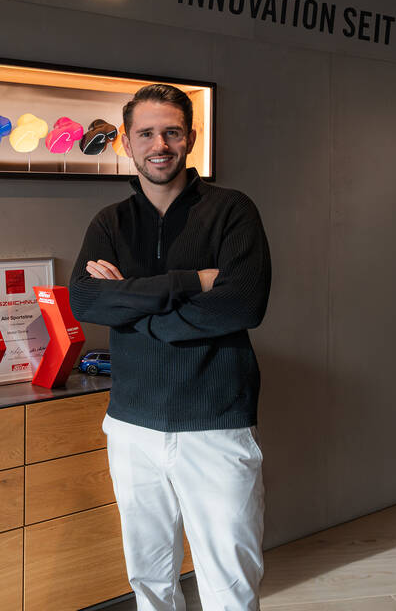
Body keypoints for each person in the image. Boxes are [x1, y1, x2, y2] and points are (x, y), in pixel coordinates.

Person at [69, 83, 271, 611]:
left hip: (215, 425)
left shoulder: (233, 211)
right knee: (149, 578)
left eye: (171, 132)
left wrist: (138, 312)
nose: (159, 145)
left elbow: (242, 305)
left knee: (229, 582)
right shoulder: (110, 222)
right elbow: (86, 300)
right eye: (146, 134)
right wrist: (190, 282)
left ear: (190, 139)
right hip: (131, 426)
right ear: (126, 142)